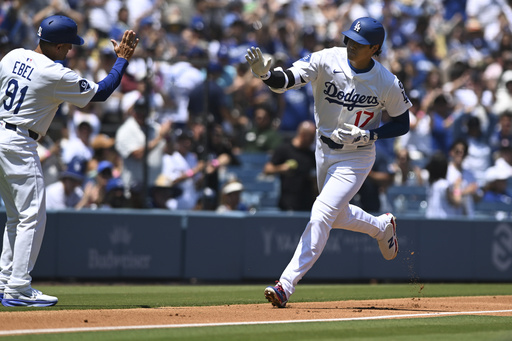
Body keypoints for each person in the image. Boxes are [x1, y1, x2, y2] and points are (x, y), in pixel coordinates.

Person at [245, 17, 411, 308]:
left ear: (374, 48)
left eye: (358, 43)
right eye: (348, 38)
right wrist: (266, 76)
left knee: (321, 211)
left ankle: (285, 285)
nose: (350, 45)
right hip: (324, 150)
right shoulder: (326, 59)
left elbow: (403, 123)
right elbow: (287, 80)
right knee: (337, 216)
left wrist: (371, 133)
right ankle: (381, 227)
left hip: (357, 155)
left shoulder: (386, 81)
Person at [0, 15, 138, 307]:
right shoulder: (54, 73)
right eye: (68, 46)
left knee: (16, 216)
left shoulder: (12, 56)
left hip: (2, 133)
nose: (70, 51)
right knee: (32, 216)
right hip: (18, 144)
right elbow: (101, 92)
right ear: (60, 45)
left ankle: (5, 282)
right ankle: (18, 288)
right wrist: (122, 60)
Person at [263, 120, 317, 211]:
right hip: (287, 202)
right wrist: (281, 168)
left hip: (307, 204)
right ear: (303, 134)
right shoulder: (284, 149)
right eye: (311, 137)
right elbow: (267, 169)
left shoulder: (312, 155)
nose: (312, 141)